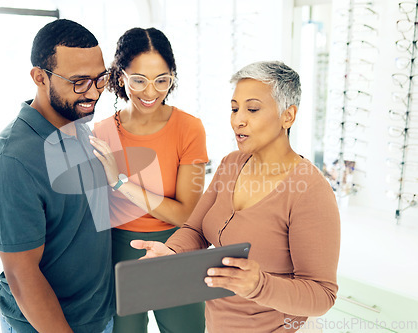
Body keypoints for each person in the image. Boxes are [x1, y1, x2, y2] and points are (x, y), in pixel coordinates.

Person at [131, 61, 341, 333]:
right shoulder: (231, 163)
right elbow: (195, 229)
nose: (237, 120)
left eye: (252, 109)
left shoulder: (310, 191)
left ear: (288, 116)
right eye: (234, 108)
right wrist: (171, 252)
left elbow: (322, 296)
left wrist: (258, 285)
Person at [0, 19, 115, 333]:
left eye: (100, 78)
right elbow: (22, 277)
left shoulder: (76, 124)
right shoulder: (11, 161)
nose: (93, 93)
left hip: (98, 317)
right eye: (79, 81)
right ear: (40, 77)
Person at [91, 27, 207, 333]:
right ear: (120, 77)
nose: (151, 92)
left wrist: (120, 183)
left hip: (176, 247)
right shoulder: (101, 134)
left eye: (162, 80)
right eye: (139, 80)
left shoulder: (189, 128)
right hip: (120, 252)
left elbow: (185, 213)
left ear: (172, 77)